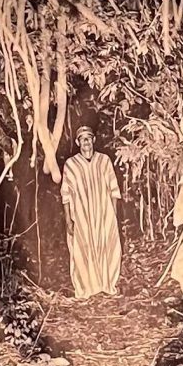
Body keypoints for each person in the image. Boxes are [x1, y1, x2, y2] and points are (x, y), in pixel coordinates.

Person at [57, 122, 122, 300]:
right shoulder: (71, 164)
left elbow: (114, 190)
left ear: (93, 140)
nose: (86, 142)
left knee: (106, 245)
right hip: (81, 215)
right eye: (82, 139)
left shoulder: (104, 161)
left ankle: (107, 284)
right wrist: (68, 219)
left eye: (88, 138)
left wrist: (113, 215)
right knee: (81, 248)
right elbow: (66, 195)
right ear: (78, 143)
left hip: (103, 213)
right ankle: (86, 288)